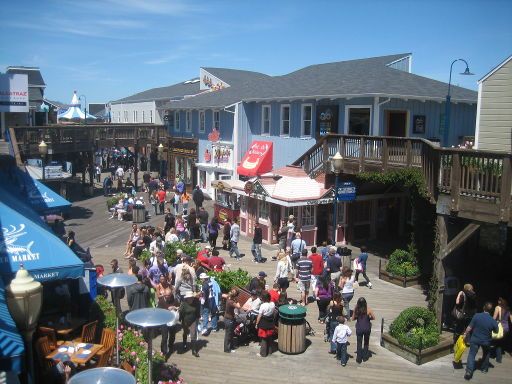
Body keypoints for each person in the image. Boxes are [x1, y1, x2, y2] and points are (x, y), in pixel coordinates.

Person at [463, 302, 499, 380]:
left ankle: (469, 372)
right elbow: (496, 331)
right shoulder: (493, 321)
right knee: (486, 354)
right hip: (486, 341)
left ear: (483, 308)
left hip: (475, 339)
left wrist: (465, 334)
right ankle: (484, 369)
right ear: (491, 311)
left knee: (472, 355)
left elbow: (469, 327)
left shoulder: (477, 316)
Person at [352, 297, 375, 364]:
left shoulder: (357, 310)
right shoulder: (368, 309)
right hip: (367, 328)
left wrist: (354, 310)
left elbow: (353, 319)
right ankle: (365, 357)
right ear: (365, 303)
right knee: (366, 342)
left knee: (359, 343)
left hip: (359, 328)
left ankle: (359, 359)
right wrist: (369, 318)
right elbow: (374, 317)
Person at [179, 291, 201, 357]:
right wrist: (181, 320)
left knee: (193, 333)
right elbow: (181, 313)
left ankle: (193, 351)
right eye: (189, 298)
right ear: (186, 298)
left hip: (193, 319)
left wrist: (198, 318)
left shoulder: (196, 302)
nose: (190, 299)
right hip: (185, 320)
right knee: (185, 332)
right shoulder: (183, 304)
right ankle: (184, 344)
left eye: (191, 297)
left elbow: (197, 311)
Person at [256, 291, 276, 357]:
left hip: (263, 323)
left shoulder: (263, 305)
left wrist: (256, 323)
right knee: (269, 337)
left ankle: (263, 353)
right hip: (270, 322)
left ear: (263, 298)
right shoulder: (272, 304)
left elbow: (259, 316)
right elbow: (273, 313)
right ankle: (270, 351)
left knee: (263, 339)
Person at [493, 297, 512, 363]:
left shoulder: (497, 308)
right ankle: (498, 355)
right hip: (506, 328)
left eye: (499, 300)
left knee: (498, 342)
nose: (498, 301)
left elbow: (494, 318)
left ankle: (498, 358)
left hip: (500, 327)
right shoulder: (508, 309)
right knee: (501, 341)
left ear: (501, 301)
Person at [222, 288, 241, 353]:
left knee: (230, 334)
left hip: (226, 318)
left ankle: (230, 346)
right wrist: (237, 300)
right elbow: (238, 306)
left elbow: (223, 295)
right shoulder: (231, 302)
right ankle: (227, 349)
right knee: (228, 335)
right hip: (229, 319)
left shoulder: (228, 298)